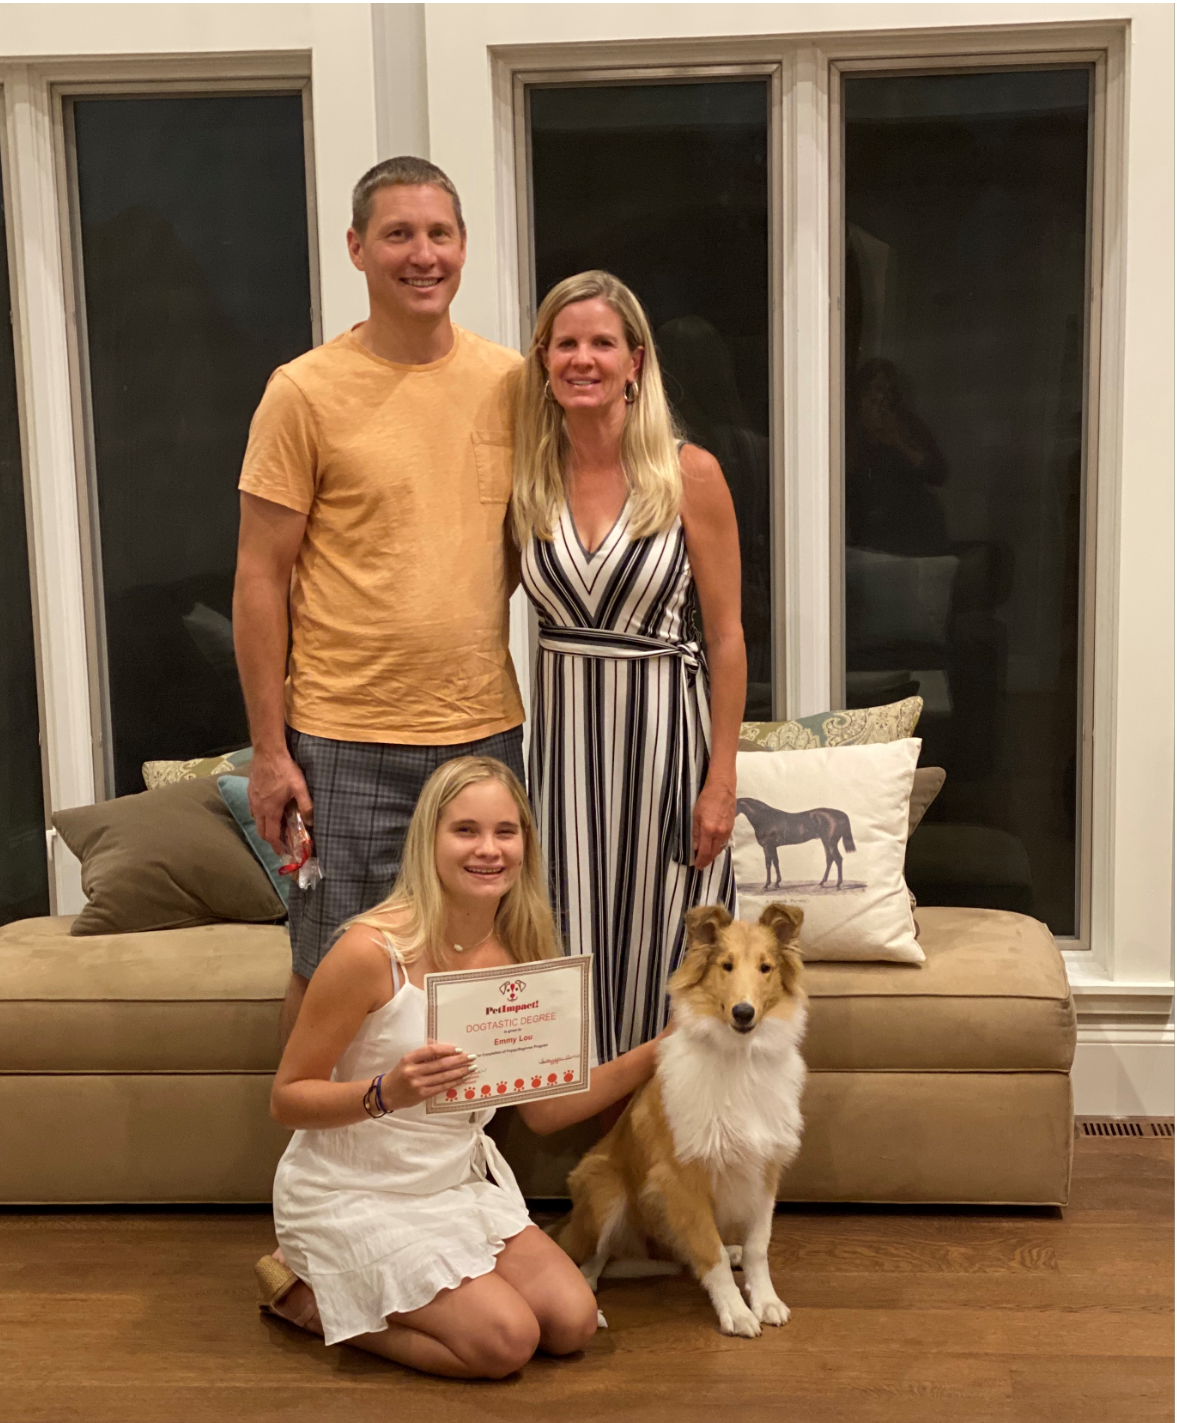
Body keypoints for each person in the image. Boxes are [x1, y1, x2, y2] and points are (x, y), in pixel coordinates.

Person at [233, 157, 524, 1042]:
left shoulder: (512, 384)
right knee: (331, 963)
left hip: (482, 730)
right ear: (357, 248)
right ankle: (314, 1166)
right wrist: (271, 751)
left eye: (438, 233)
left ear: (465, 246)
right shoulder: (303, 391)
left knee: (478, 961)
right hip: (344, 739)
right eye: (397, 234)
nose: (421, 254)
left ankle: (457, 1167)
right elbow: (258, 579)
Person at [257, 756, 665, 1378]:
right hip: (351, 1192)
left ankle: (365, 1296)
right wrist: (383, 1092)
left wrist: (662, 1049)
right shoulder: (369, 951)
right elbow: (286, 1100)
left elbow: (547, 1113)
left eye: (506, 832)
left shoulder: (521, 954)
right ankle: (307, 1297)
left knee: (573, 1323)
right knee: (504, 1345)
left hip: (451, 1187)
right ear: (431, 839)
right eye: (466, 831)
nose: (489, 850)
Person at [512, 270, 745, 1064]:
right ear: (543, 360)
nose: (583, 359)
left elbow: (728, 638)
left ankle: (679, 1162)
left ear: (635, 360)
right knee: (566, 944)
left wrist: (721, 780)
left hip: (664, 758)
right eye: (565, 343)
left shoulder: (689, 475)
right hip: (562, 766)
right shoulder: (527, 481)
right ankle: (591, 1160)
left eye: (601, 343)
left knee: (668, 951)